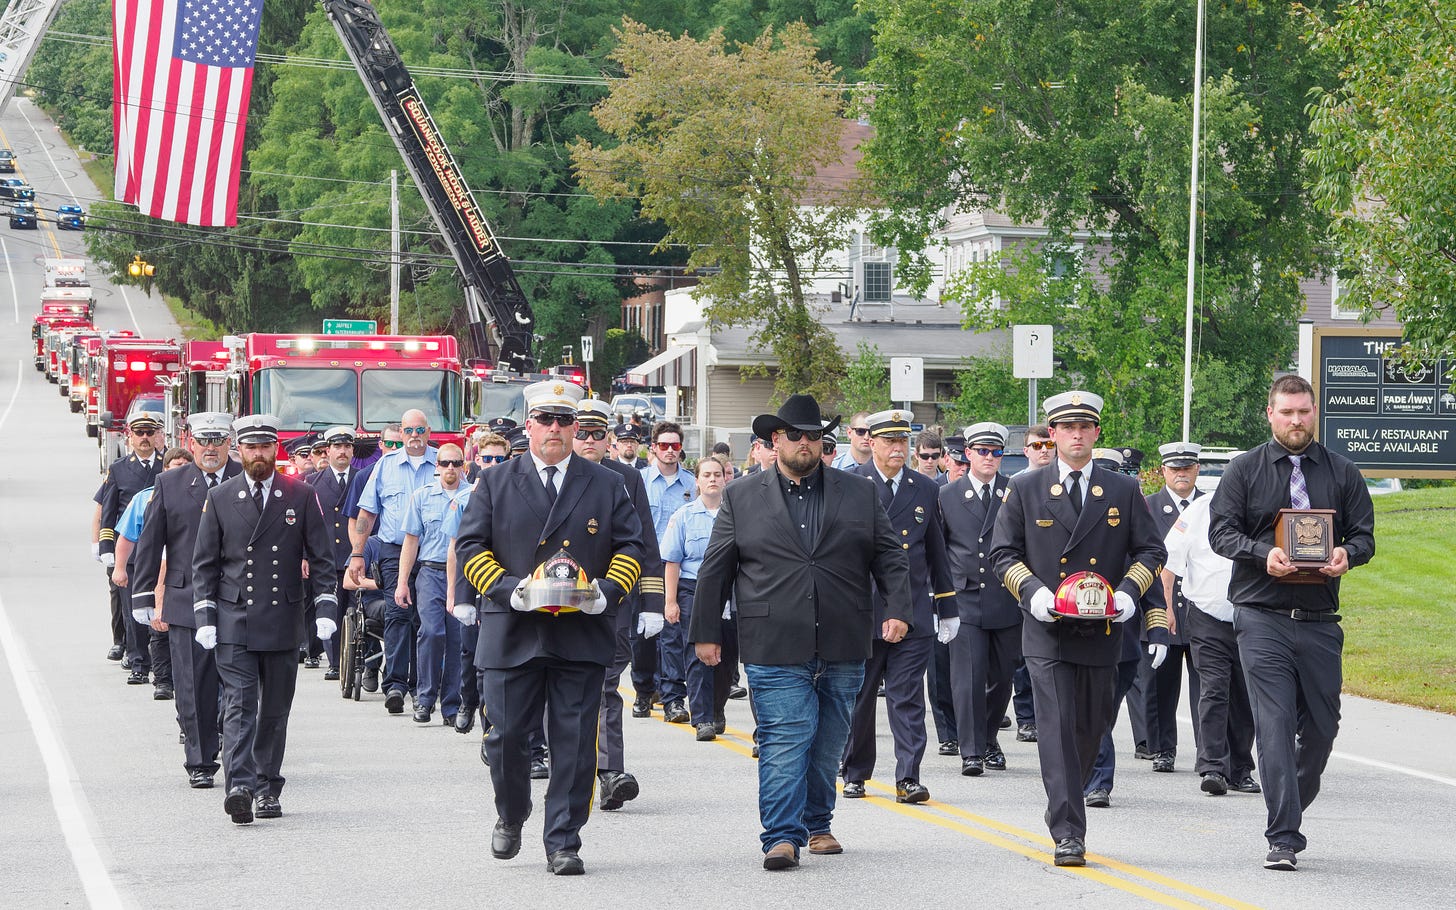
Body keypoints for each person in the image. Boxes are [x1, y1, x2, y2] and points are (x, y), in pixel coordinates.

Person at [689, 394, 912, 871]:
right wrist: (706, 633)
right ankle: (781, 836)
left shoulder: (859, 492)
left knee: (830, 737)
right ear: (776, 440)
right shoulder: (741, 496)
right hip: (774, 638)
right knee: (787, 735)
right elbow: (715, 569)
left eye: (815, 436)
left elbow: (890, 555)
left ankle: (818, 822)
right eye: (796, 435)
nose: (806, 443)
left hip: (844, 636)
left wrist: (897, 609)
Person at [453, 380, 646, 876]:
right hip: (513, 629)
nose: (555, 429)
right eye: (545, 420)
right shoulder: (495, 481)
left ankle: (564, 841)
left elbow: (632, 548)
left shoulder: (605, 483)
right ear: (529, 425)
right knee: (506, 738)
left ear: (576, 427)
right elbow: (470, 547)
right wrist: (509, 589)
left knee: (576, 744)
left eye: (564, 420)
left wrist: (605, 592)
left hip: (579, 631)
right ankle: (511, 812)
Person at [990, 390, 1167, 867]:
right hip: (1047, 632)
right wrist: (1034, 593)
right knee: (1057, 727)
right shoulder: (1026, 488)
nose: (1076, 434)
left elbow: (1152, 552)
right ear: (1052, 434)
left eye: (1084, 427)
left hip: (1102, 632)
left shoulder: (1122, 490)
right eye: (1066, 427)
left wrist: (1130, 592)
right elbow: (1003, 553)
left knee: (1089, 731)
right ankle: (1068, 830)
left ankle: (1071, 793)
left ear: (1096, 433)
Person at [1209, 374, 1375, 872]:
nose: (1296, 421)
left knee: (1322, 728)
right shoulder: (1244, 470)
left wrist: (1348, 553)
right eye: (1286, 412)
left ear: (1314, 412)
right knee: (1276, 725)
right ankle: (1283, 836)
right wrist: (1263, 554)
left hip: (1322, 621)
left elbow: (1366, 536)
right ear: (1270, 414)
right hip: (1262, 618)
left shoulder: (1343, 472)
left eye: (1304, 411)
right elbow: (1220, 532)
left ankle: (1291, 802)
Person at [191, 415, 339, 824]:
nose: (259, 455)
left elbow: (322, 559)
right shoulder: (221, 497)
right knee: (240, 705)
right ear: (239, 450)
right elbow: (205, 563)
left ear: (277, 449)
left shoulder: (300, 494)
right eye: (251, 447)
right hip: (234, 617)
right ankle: (240, 785)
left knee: (274, 709)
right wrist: (205, 615)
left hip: (281, 618)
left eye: (265, 447)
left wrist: (326, 608)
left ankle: (268, 786)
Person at [842, 408, 957, 805]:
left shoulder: (924, 488)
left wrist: (948, 606)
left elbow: (937, 552)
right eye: (890, 441)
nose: (898, 448)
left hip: (912, 613)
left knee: (908, 698)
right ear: (870, 442)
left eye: (903, 441)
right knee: (860, 696)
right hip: (864, 612)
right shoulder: (850, 484)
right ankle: (855, 771)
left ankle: (909, 776)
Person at [129, 413, 242, 788]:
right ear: (191, 442)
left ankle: (235, 743)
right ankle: (200, 760)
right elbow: (151, 542)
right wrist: (145, 593)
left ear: (230, 442)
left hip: (236, 598)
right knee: (193, 684)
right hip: (184, 596)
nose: (210, 448)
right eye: (203, 441)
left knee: (238, 681)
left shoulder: (246, 478)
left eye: (218, 440)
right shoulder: (170, 482)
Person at [571, 397, 663, 810]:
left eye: (597, 434)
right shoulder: (554, 476)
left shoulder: (626, 477)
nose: (590, 441)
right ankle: (563, 759)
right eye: (583, 433)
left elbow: (643, 540)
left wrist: (652, 602)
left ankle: (610, 772)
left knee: (608, 684)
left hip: (612, 598)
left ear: (608, 438)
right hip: (559, 599)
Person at [1161, 460, 1260, 798]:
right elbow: (1169, 563)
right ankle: (1213, 767)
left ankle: (1241, 769)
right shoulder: (1200, 510)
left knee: (1245, 695)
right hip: (1206, 615)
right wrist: (1165, 609)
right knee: (1215, 688)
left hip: (1252, 616)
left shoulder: (1263, 510)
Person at [939, 423, 1021, 776]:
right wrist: (938, 601)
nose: (989, 458)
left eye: (996, 452)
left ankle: (989, 738)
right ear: (968, 454)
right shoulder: (948, 494)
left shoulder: (1014, 491)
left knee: (1002, 678)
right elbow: (939, 549)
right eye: (983, 451)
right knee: (968, 678)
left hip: (1006, 596)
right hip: (966, 596)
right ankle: (971, 750)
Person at [351, 410, 438, 715]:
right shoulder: (385, 467)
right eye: (408, 430)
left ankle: (421, 685)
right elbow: (366, 515)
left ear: (428, 432)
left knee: (424, 619)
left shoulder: (445, 463)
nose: (414, 435)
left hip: (431, 554)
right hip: (392, 550)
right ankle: (396, 685)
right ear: (400, 434)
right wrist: (358, 553)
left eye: (420, 429)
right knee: (398, 614)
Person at [1139, 442, 1206, 773]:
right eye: (1175, 468)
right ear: (1163, 471)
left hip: (1202, 610)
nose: (1181, 474)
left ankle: (1208, 752)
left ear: (1197, 469)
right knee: (1160, 686)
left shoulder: (1211, 507)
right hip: (1158, 607)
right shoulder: (1148, 507)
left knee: (1207, 687)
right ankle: (1162, 748)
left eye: (1188, 467)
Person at [396, 442, 472, 725]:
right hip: (429, 572)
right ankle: (425, 698)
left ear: (463, 466)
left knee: (457, 638)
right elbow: (411, 540)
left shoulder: (473, 495)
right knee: (431, 631)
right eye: (445, 463)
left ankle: (451, 705)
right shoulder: (421, 496)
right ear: (436, 468)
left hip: (463, 575)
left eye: (456, 463)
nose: (450, 468)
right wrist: (402, 582)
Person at [111, 447, 193, 700]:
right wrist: (119, 567)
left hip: (188, 571)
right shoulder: (146, 498)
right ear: (165, 470)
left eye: (185, 465)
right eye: (175, 465)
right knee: (156, 625)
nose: (180, 470)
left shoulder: (206, 495)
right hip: (154, 569)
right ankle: (162, 680)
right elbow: (128, 536)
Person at [661, 456, 728, 741]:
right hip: (693, 589)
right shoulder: (684, 516)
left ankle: (717, 709)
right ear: (697, 481)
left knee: (728, 655)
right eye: (707, 475)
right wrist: (670, 601)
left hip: (730, 590)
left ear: (726, 479)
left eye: (718, 474)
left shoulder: (735, 514)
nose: (712, 479)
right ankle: (702, 718)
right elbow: (673, 562)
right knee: (697, 654)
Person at [98, 412, 167, 685]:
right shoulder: (118, 468)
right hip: (133, 550)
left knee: (159, 608)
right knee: (132, 609)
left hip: (161, 551)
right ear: (130, 437)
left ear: (157, 435)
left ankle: (161, 664)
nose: (145, 438)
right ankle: (139, 662)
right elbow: (109, 510)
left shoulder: (169, 466)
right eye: (140, 433)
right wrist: (108, 549)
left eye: (150, 432)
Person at [641, 420, 695, 723]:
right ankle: (644, 690)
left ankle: (673, 697)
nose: (670, 451)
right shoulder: (639, 481)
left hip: (679, 567)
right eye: (664, 445)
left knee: (673, 634)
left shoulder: (691, 484)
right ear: (654, 448)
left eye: (675, 445)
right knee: (644, 636)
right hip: (646, 565)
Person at [306, 426, 358, 680]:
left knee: (361, 610)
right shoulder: (312, 482)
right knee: (331, 610)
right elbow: (305, 524)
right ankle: (336, 662)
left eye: (347, 447)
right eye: (338, 447)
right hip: (327, 557)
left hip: (356, 556)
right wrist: (305, 556)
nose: (343, 451)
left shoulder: (363, 478)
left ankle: (360, 663)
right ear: (328, 451)